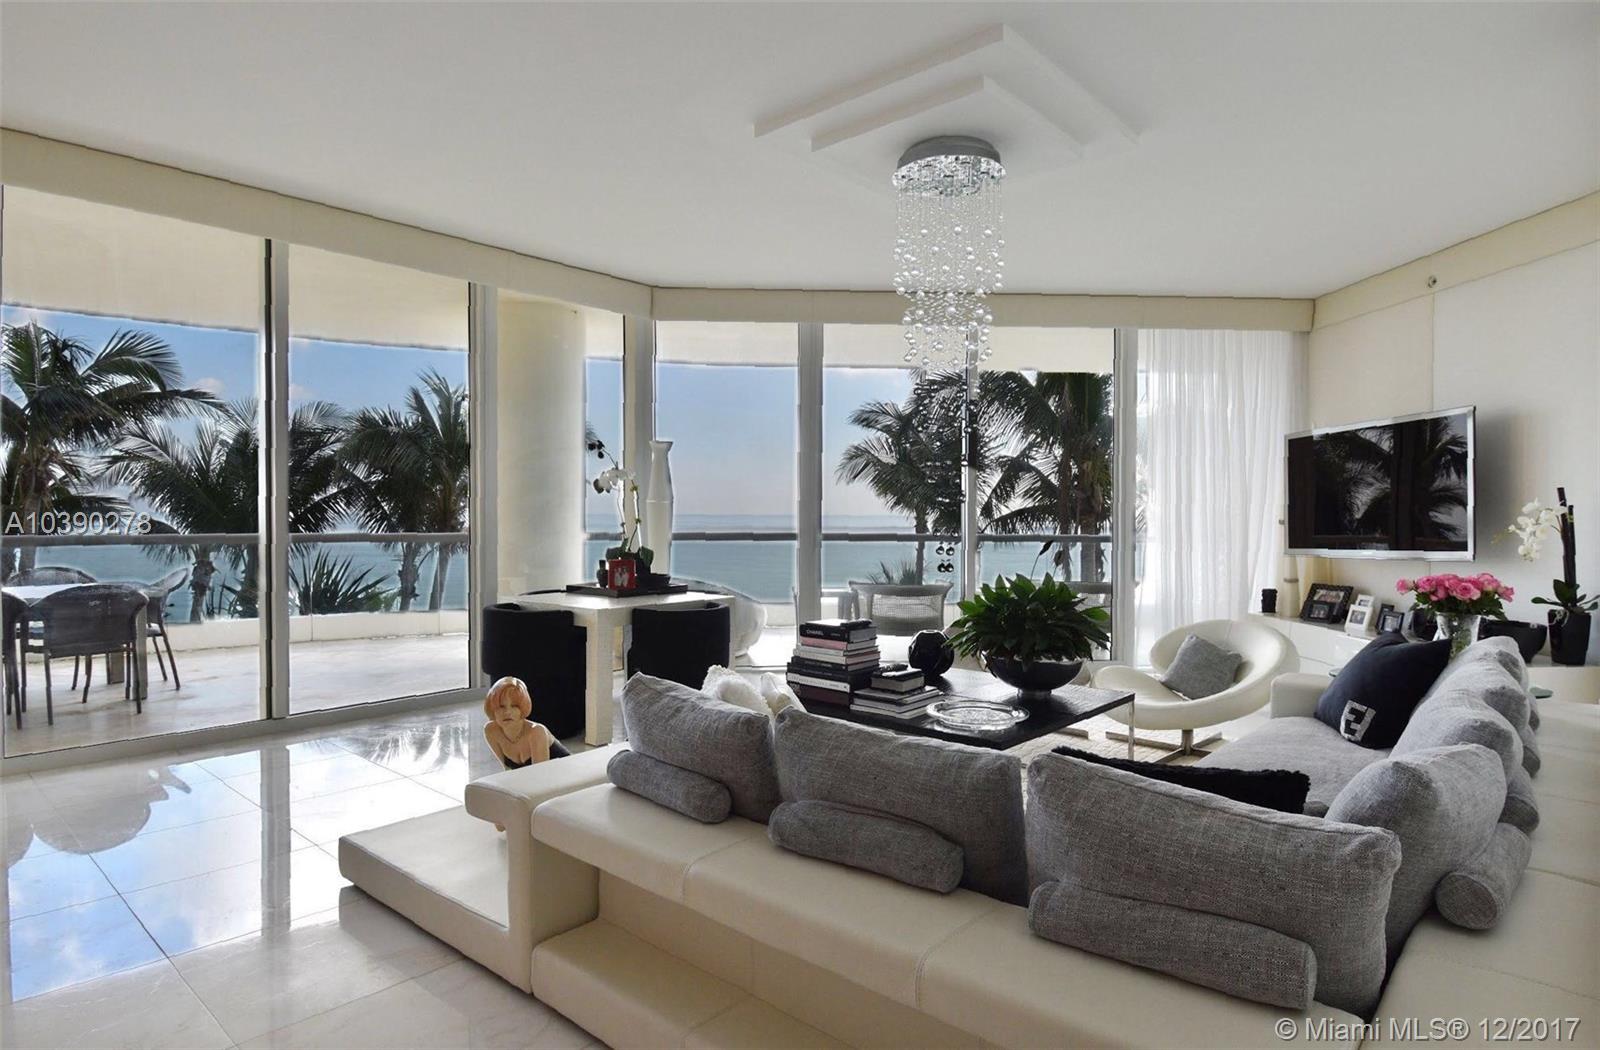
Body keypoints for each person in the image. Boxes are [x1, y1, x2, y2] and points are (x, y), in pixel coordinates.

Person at [482, 676, 569, 770]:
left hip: (566, 774)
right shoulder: (491, 730)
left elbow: (540, 774)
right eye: (501, 706)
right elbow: (507, 770)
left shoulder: (537, 732)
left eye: (514, 706)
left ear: (523, 707)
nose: (507, 712)